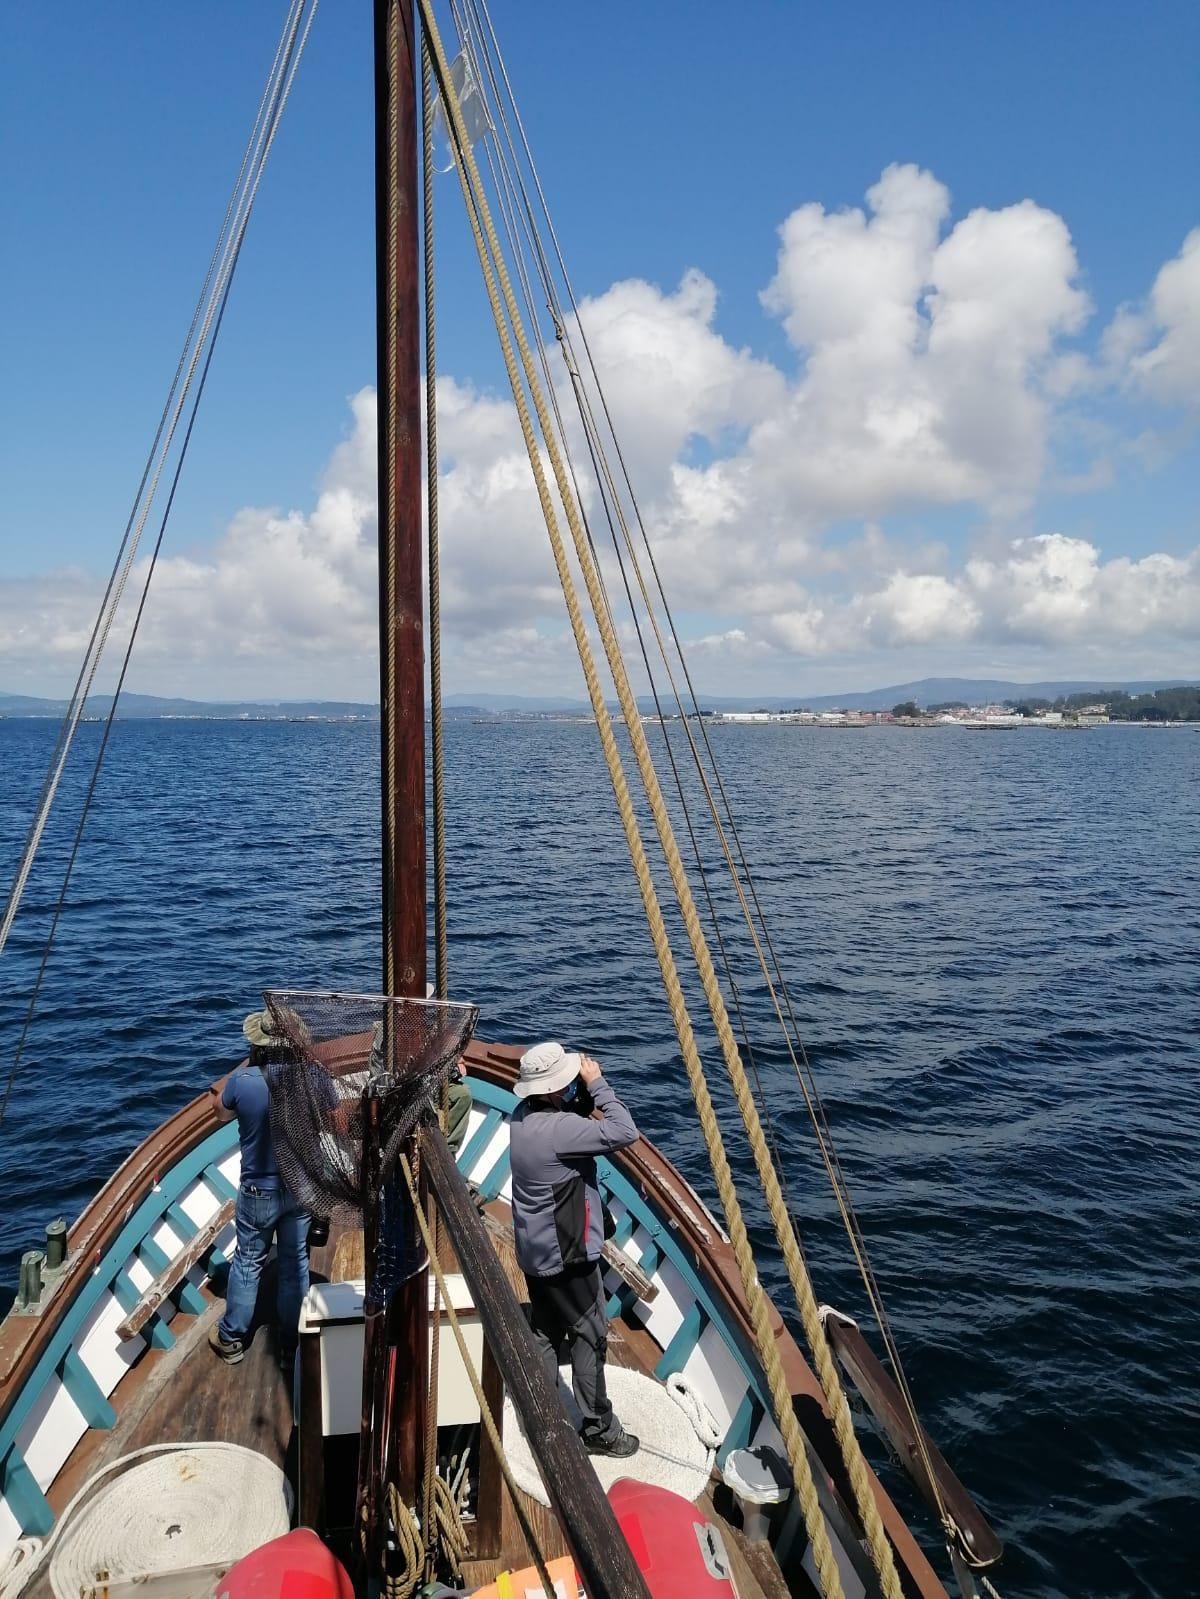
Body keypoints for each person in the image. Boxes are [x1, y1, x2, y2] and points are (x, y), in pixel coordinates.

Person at [509, 1040, 640, 1457]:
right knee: (589, 1335)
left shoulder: (522, 1117)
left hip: (534, 1250)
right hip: (569, 1256)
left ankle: (544, 1413)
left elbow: (565, 1119)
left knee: (546, 1330)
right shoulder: (562, 1131)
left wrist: (576, 1098)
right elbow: (624, 1131)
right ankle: (599, 1428)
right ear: (552, 1090)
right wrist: (597, 1083)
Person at [209, 1009, 312, 1366]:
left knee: (248, 1262)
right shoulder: (312, 1077)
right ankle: (291, 1341)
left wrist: (244, 1066)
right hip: (298, 1187)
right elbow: (333, 1119)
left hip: (257, 1191)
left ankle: (233, 1338)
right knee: (294, 1262)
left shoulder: (244, 1082)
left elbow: (220, 1112)